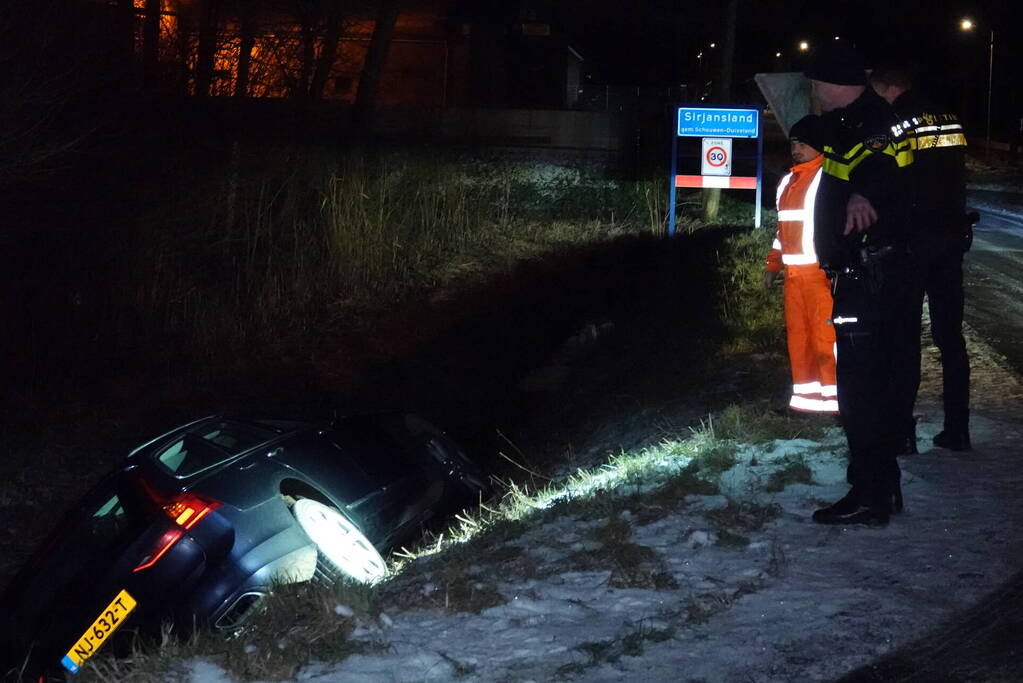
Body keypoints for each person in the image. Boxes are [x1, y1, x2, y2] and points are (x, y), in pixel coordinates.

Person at [804, 43, 916, 526]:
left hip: (869, 276)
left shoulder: (870, 123)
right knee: (874, 383)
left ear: (831, 83)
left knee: (861, 389)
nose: (812, 91)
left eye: (815, 82)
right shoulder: (855, 120)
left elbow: (880, 167)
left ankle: (869, 494)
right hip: (873, 273)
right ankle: (881, 485)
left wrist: (861, 196)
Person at [870, 66, 972, 453]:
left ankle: (902, 433)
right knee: (951, 339)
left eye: (879, 93)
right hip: (951, 237)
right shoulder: (949, 118)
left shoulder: (897, 122)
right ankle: (957, 429)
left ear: (891, 89)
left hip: (913, 242)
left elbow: (893, 180)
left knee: (904, 338)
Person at [764, 115, 838, 414]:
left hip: (821, 275)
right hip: (795, 278)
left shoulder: (827, 179)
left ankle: (836, 403)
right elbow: (781, 232)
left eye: (803, 143)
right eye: (793, 142)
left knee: (826, 339)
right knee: (799, 339)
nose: (796, 148)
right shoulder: (787, 182)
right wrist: (772, 267)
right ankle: (807, 403)